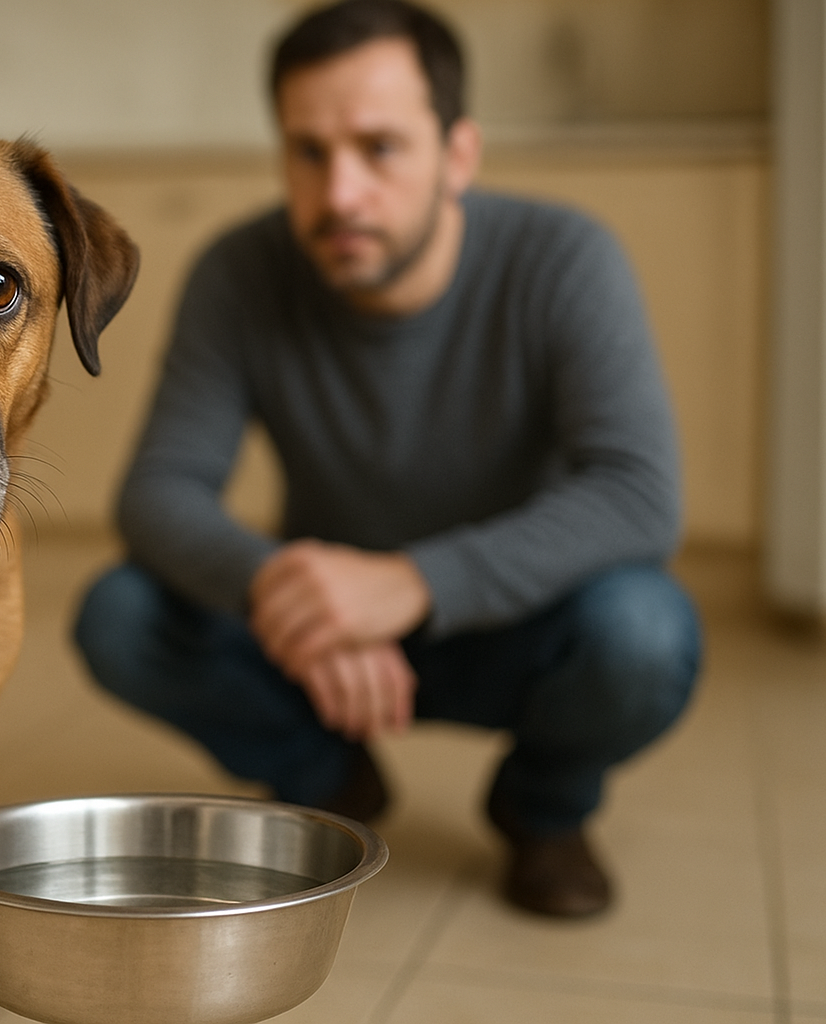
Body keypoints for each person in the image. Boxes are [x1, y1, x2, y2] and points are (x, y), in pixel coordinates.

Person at [72, 0, 702, 918]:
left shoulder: (565, 258)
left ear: (459, 155)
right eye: (310, 152)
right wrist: (292, 588)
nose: (340, 196)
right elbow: (157, 494)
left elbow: (640, 494)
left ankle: (544, 812)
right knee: (120, 615)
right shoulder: (239, 272)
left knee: (646, 633)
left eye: (381, 148)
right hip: (321, 636)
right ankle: (328, 780)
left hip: (518, 617)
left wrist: (410, 582)